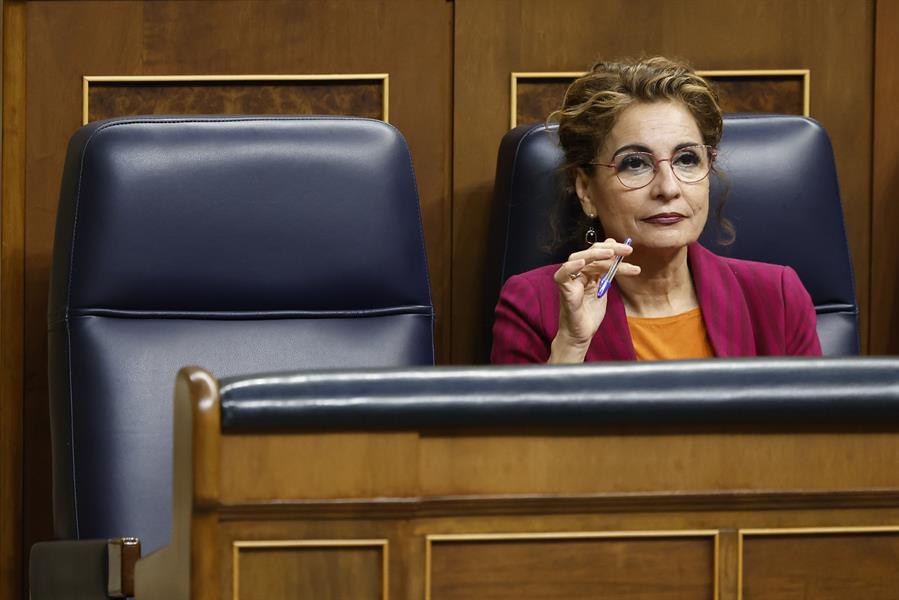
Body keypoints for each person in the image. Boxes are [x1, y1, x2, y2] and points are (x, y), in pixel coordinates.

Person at [491, 57, 822, 363]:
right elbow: (522, 428)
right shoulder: (532, 304)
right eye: (635, 164)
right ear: (587, 190)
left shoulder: (777, 297)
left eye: (687, 159)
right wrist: (571, 344)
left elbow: (818, 427)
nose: (668, 187)